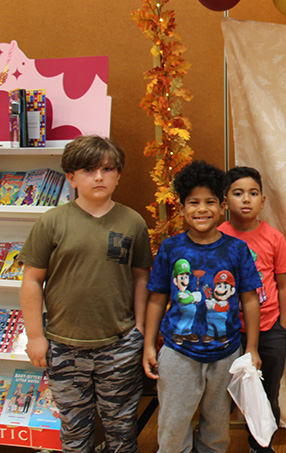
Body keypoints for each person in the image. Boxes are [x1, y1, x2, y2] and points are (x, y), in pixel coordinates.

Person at [19, 135, 152, 452]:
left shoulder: (132, 222)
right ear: (71, 177)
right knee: (75, 431)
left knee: (121, 429)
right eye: (89, 170)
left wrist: (140, 329)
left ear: (118, 175)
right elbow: (31, 281)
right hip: (64, 346)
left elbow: (141, 277)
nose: (98, 177)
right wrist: (36, 337)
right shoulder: (52, 222)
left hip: (119, 344)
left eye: (107, 169)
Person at [143, 160, 263, 453]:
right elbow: (157, 297)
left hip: (225, 352)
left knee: (217, 427)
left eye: (210, 201)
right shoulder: (171, 248)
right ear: (182, 208)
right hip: (178, 352)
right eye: (193, 202)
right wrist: (148, 344)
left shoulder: (236, 249)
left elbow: (249, 298)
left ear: (222, 206)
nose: (202, 209)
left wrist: (252, 348)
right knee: (173, 425)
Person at [218, 166, 286, 453]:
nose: (246, 199)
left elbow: (284, 284)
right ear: (225, 201)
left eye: (253, 193)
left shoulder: (274, 238)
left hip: (269, 328)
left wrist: (282, 328)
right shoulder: (217, 236)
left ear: (263, 200)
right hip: (227, 330)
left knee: (266, 393)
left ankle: (260, 445)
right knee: (219, 393)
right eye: (238, 193)